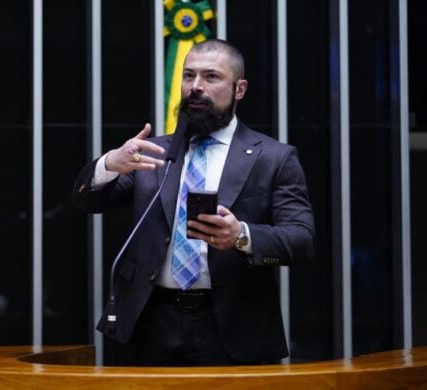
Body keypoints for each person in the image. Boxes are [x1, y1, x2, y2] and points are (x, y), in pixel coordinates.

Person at [72, 39, 315, 366]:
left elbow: (301, 240)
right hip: (150, 321)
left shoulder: (273, 157)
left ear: (239, 89)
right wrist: (109, 164)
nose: (196, 87)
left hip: (231, 324)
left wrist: (241, 236)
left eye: (211, 77)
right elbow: (87, 201)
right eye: (189, 76)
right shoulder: (153, 153)